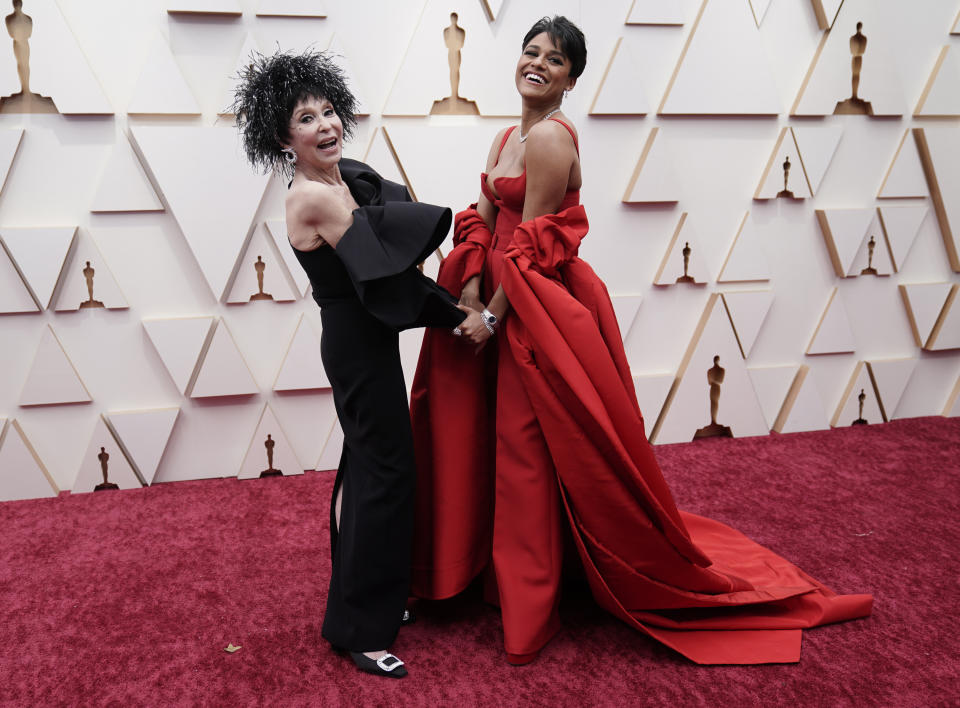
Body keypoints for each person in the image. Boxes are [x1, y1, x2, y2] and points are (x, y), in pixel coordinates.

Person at [410, 16, 872, 665]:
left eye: (555, 59)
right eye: (531, 51)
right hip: (497, 294)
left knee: (526, 449)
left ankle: (529, 601)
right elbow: (484, 218)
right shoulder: (508, 135)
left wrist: (489, 316)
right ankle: (479, 570)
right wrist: (464, 291)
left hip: (532, 306)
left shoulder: (547, 141)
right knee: (486, 434)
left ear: (572, 78)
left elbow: (530, 247)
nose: (538, 63)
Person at [232, 49, 481, 679]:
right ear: (283, 139)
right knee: (386, 475)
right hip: (356, 346)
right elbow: (389, 283)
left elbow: (391, 257)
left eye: (329, 110)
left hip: (366, 342)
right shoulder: (314, 198)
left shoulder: (344, 180)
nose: (325, 124)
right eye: (306, 118)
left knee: (368, 470)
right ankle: (361, 631)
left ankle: (370, 604)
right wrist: (461, 318)